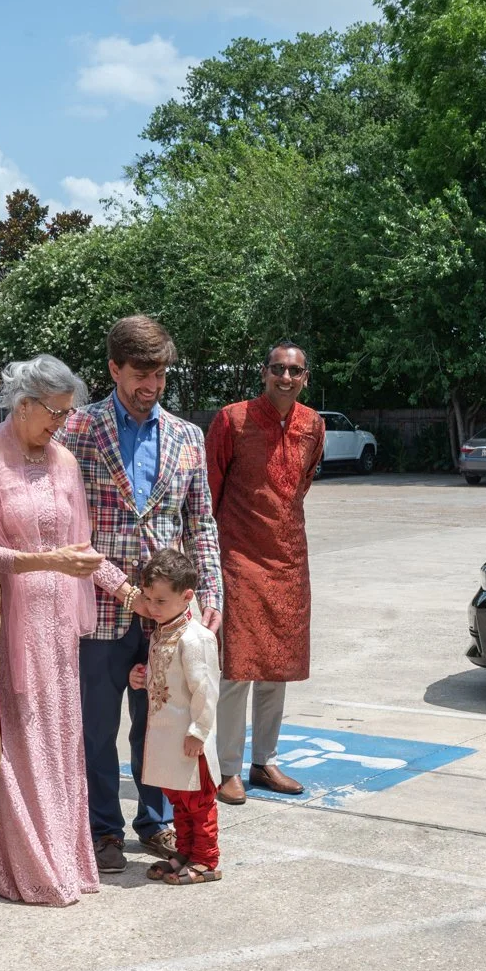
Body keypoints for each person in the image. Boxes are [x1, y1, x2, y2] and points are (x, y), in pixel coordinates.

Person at [0, 355, 139, 905]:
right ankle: (31, 866)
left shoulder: (63, 459)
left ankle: (67, 855)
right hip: (12, 623)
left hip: (61, 627)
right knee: (22, 743)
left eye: (66, 413)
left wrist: (128, 591)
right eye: (55, 412)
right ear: (23, 405)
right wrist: (47, 563)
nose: (61, 423)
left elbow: (81, 549)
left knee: (63, 742)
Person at [61, 315, 223, 877]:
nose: (150, 387)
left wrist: (210, 592)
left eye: (159, 375)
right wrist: (123, 588)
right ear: (113, 369)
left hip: (170, 617)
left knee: (162, 723)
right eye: (139, 375)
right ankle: (103, 828)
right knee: (98, 727)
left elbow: (200, 521)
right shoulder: (77, 431)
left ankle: (155, 823)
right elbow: (68, 529)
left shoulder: (187, 436)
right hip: (102, 608)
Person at [206, 340, 326, 805]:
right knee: (236, 668)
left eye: (295, 371)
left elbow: (304, 482)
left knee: (276, 668)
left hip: (289, 558)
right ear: (263, 373)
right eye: (278, 368)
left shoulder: (312, 424)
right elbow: (210, 487)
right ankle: (229, 768)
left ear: (305, 378)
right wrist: (209, 557)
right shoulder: (232, 420)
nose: (286, 378)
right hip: (237, 556)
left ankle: (265, 762)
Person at [127, 548, 222, 884]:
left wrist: (199, 731)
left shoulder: (197, 639)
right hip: (167, 736)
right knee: (179, 799)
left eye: (161, 601)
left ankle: (206, 859)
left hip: (188, 738)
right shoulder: (161, 632)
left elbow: (206, 690)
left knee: (198, 801)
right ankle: (184, 851)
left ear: (187, 597)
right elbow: (166, 680)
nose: (152, 608)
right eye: (148, 598)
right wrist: (139, 679)